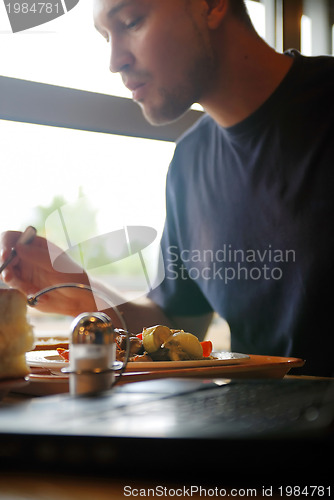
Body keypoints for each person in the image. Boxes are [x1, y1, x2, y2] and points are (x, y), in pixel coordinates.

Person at [1, 0, 334, 376]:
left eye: (131, 22)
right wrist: (82, 291)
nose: (115, 61)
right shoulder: (190, 160)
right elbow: (181, 327)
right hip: (251, 423)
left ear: (211, 5)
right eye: (106, 37)